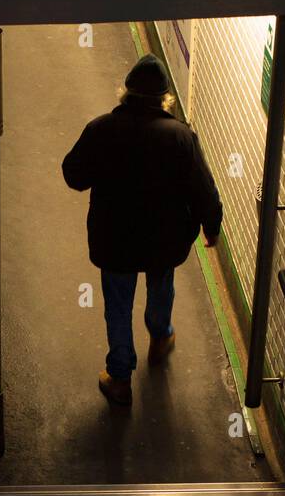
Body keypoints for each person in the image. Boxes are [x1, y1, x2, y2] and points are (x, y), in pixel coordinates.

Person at [61, 53, 223, 407]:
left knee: (118, 303)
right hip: (163, 241)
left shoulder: (101, 128)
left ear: (126, 93)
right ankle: (160, 336)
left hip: (114, 238)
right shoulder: (181, 137)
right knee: (160, 283)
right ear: (166, 99)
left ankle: (120, 378)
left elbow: (73, 174)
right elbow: (204, 190)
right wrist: (212, 227)